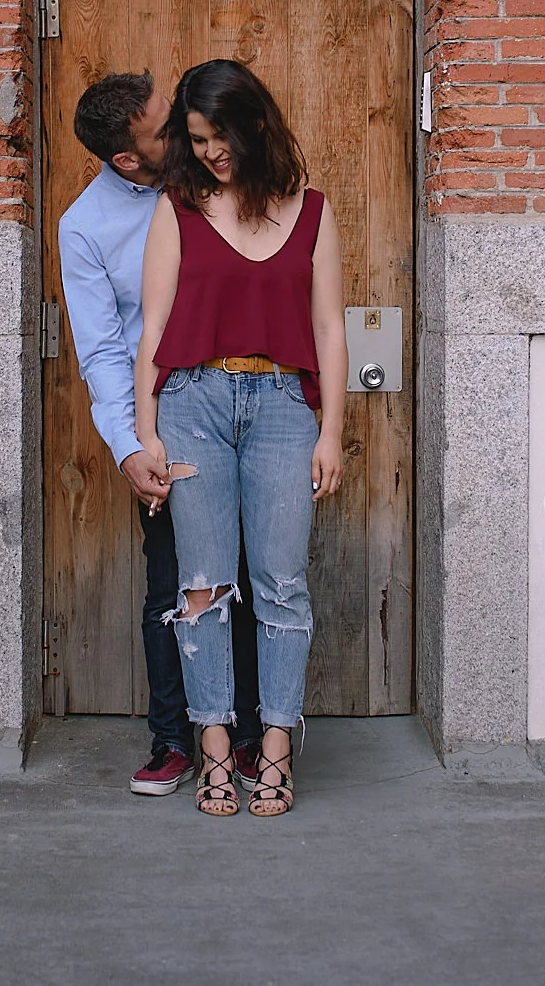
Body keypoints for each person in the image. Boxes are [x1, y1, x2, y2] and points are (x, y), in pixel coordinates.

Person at [134, 59, 346, 819]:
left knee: (283, 583)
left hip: (287, 403)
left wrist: (333, 432)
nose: (212, 151)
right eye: (197, 139)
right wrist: (145, 431)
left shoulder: (312, 210)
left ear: (255, 121)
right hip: (192, 400)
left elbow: (328, 327)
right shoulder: (178, 207)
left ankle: (278, 748)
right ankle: (216, 748)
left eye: (220, 134)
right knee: (203, 586)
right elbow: (153, 328)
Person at [56, 71, 259, 798]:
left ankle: (247, 737)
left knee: (253, 570)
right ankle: (174, 737)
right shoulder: (85, 228)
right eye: (164, 130)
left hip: (245, 399)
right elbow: (104, 349)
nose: (182, 134)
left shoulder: (212, 179)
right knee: (174, 579)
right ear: (126, 160)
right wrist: (131, 446)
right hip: (164, 416)